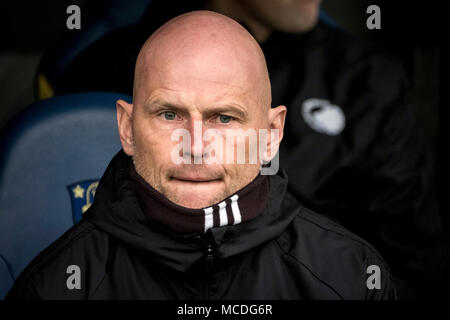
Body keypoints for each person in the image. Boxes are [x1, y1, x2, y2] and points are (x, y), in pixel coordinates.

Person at [43, 0, 447, 299]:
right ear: (126, 127)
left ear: (274, 131)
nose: (196, 147)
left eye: (225, 117)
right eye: (168, 114)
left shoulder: (366, 79)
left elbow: (417, 262)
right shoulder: (103, 67)